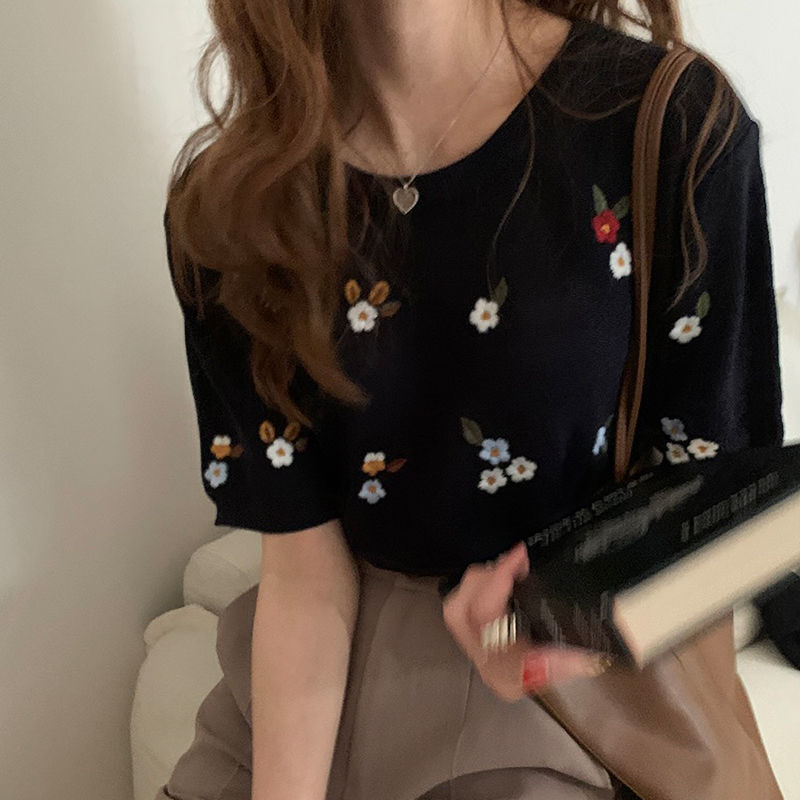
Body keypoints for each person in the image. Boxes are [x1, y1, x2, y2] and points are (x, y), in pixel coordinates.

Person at [158, 1, 785, 798]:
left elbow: (729, 502)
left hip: (559, 689)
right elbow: (304, 567)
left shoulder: (670, 121)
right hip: (318, 676)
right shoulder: (233, 206)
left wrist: (573, 608)